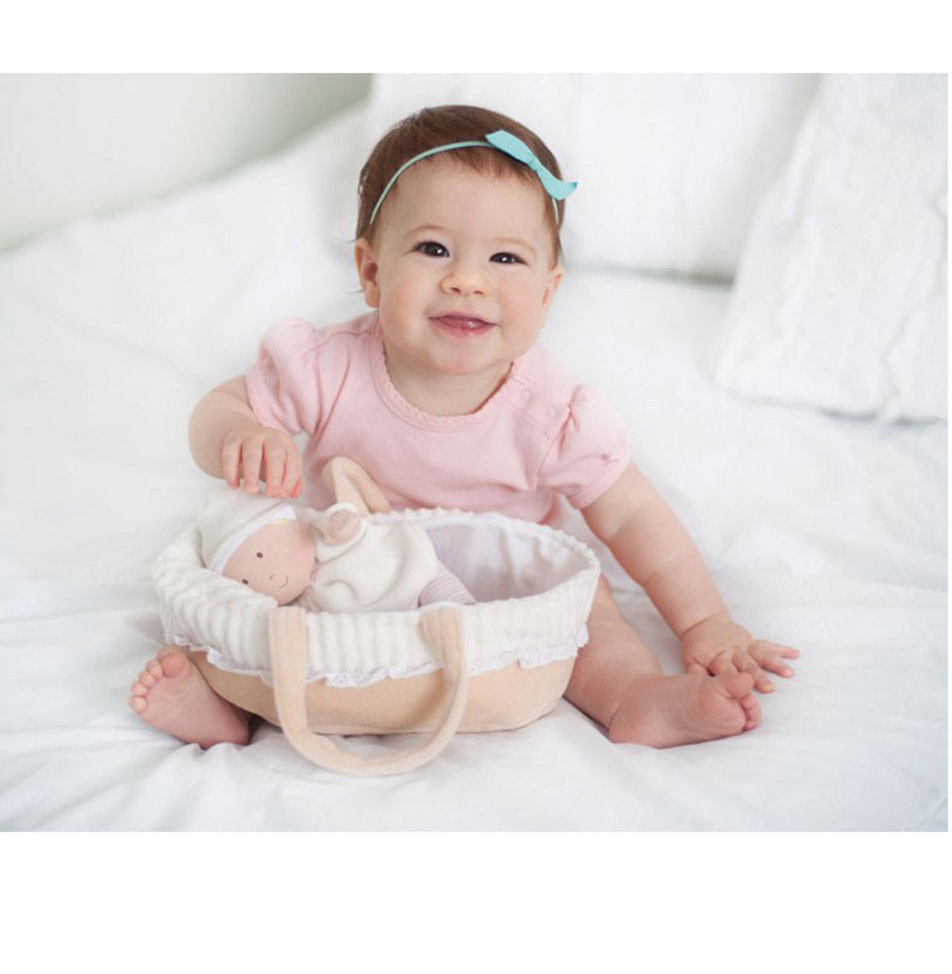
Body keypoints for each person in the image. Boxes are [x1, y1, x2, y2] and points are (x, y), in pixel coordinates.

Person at [130, 103, 798, 749]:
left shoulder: (551, 412)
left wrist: (705, 622)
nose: (467, 281)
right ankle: (225, 710)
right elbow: (216, 410)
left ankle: (634, 700)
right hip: (351, 574)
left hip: (503, 591)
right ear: (370, 271)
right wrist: (238, 432)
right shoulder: (325, 367)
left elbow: (630, 517)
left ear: (547, 289)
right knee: (257, 606)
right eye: (433, 248)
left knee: (592, 620)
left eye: (505, 259)